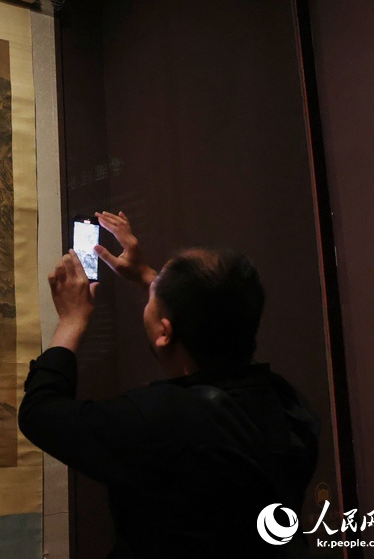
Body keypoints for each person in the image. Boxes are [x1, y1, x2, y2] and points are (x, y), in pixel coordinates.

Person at [18, 211, 319, 559]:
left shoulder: (160, 421)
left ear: (164, 332)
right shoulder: (289, 404)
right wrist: (151, 279)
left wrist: (71, 321)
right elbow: (217, 310)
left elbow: (39, 413)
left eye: (153, 296)